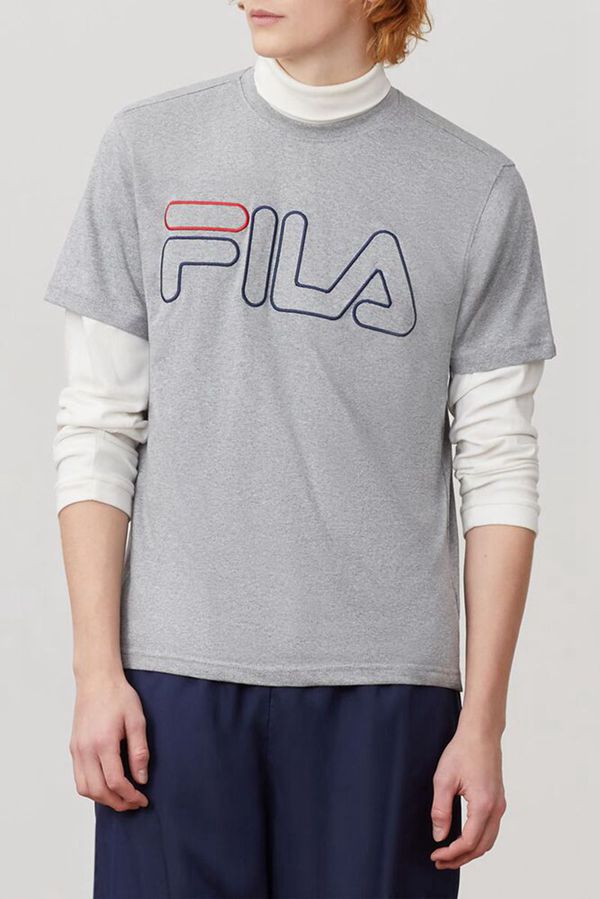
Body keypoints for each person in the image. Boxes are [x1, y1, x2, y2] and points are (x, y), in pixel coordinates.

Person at [44, 2, 557, 897]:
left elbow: (500, 468)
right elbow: (97, 426)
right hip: (172, 683)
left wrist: (484, 722)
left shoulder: (476, 189)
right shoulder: (146, 149)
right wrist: (96, 672)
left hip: (387, 694)